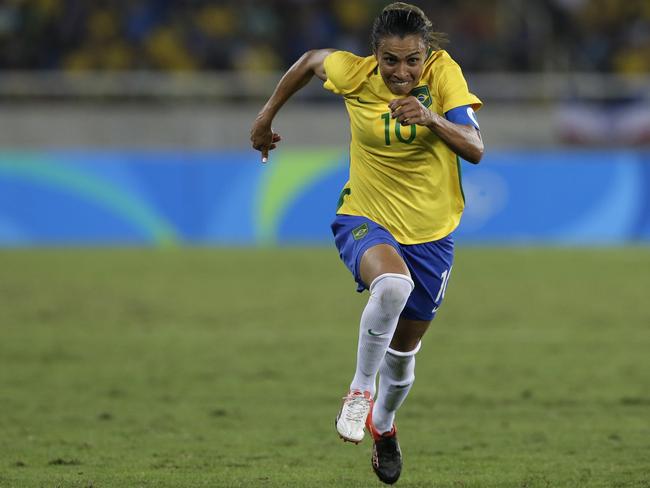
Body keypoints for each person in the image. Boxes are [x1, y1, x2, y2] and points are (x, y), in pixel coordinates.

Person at [250, 2, 483, 484]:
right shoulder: (354, 75)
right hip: (365, 217)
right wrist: (266, 114)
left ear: (426, 54)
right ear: (374, 55)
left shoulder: (444, 77)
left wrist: (431, 118)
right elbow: (311, 60)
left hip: (431, 236)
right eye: (390, 60)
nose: (401, 71)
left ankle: (384, 423)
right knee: (392, 288)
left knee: (402, 358)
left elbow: (476, 147)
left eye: (412, 60)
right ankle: (359, 391)